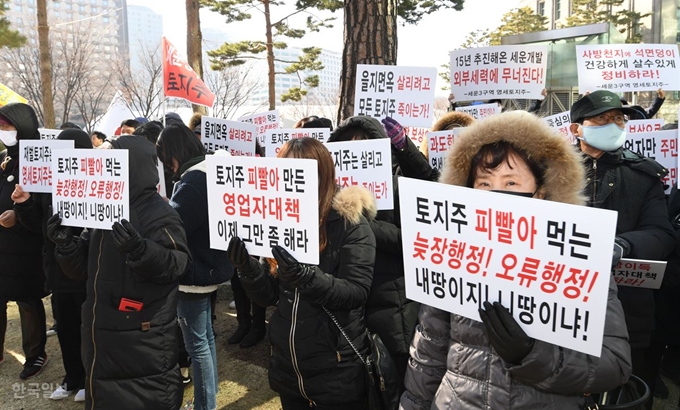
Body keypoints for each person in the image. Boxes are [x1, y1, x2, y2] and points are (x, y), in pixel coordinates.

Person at [401, 110, 633, 409]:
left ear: (541, 192)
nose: (496, 193)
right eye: (484, 183)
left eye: (511, 183)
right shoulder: (452, 257)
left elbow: (614, 364)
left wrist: (532, 356)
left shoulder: (579, 262)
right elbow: (428, 354)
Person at [227, 137, 377, 409]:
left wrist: (308, 278)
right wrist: (247, 269)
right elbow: (271, 296)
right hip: (289, 367)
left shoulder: (351, 225)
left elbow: (356, 292)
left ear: (321, 175)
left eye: (298, 174)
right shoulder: (280, 222)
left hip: (336, 368)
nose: (289, 182)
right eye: (283, 173)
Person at [47, 134, 191, 410]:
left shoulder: (158, 212)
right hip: (101, 333)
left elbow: (178, 264)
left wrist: (141, 250)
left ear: (129, 165)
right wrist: (65, 245)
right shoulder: (105, 206)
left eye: (107, 161)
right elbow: (82, 270)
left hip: (140, 336)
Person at [569, 90, 677, 409]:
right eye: (601, 119)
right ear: (576, 128)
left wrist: (623, 245)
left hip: (628, 309)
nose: (613, 124)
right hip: (566, 304)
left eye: (618, 118)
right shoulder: (549, 170)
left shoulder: (644, 174)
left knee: (628, 392)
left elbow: (662, 233)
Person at [328, 116, 436, 392]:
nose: (356, 154)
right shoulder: (330, 196)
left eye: (364, 146)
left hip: (392, 302)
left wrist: (365, 226)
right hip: (348, 303)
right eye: (348, 148)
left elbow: (415, 242)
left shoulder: (399, 187)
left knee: (395, 382)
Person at [156, 123, 233, 410]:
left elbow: (177, 228)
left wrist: (165, 208)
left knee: (197, 345)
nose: (167, 165)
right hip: (213, 265)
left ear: (174, 154)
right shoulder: (214, 169)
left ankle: (204, 405)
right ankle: (207, 401)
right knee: (206, 340)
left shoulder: (192, 183)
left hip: (194, 272)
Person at [11, 129, 92, 401]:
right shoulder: (50, 184)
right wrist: (23, 204)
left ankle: (89, 381)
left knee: (87, 328)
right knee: (66, 328)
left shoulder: (93, 182)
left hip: (83, 272)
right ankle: (72, 378)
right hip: (57, 273)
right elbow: (39, 226)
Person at [0, 103, 49, 380]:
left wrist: (18, 216)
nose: (3, 131)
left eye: (7, 126)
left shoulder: (39, 159)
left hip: (25, 248)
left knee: (28, 301)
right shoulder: (5, 157)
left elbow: (44, 206)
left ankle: (35, 354)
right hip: (2, 245)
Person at [227, 141, 268, 349]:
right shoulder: (227, 171)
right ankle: (243, 325)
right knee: (237, 282)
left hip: (257, 237)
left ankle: (258, 327)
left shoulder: (264, 168)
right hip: (236, 235)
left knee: (256, 282)